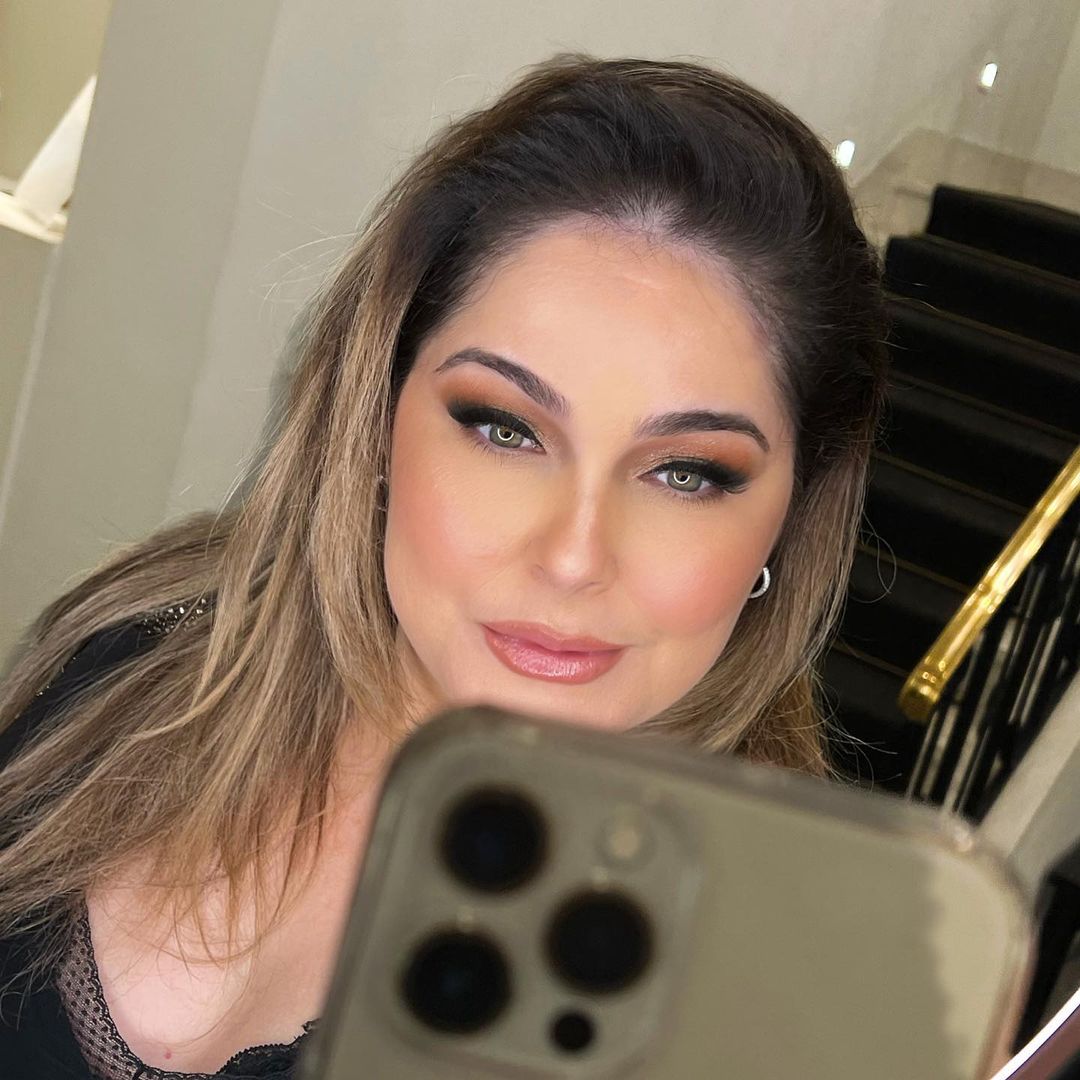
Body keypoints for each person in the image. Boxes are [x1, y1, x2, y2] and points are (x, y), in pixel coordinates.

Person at [0, 51, 887, 1079]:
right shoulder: (135, 660)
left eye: (686, 473)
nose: (572, 556)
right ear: (377, 416)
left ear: (789, 520)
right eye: (505, 429)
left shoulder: (752, 1014)